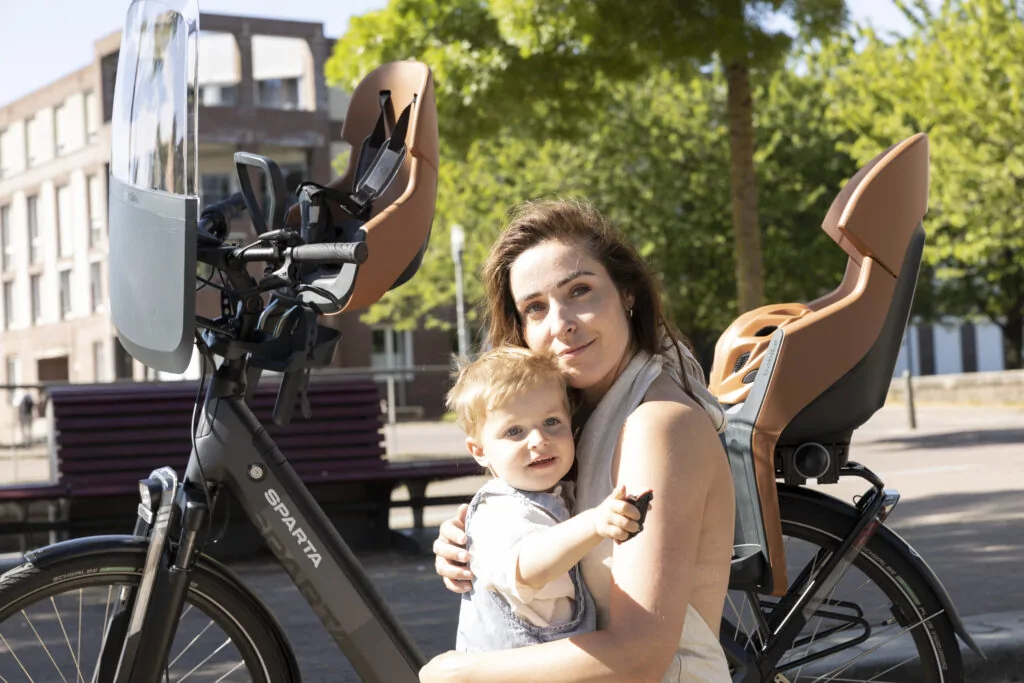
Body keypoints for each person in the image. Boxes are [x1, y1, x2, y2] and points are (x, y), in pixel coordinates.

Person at [422, 199, 735, 682]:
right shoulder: (574, 417)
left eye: (580, 290)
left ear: (627, 293)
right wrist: (480, 547)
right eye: (535, 308)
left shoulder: (655, 425)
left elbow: (642, 652)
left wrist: (466, 674)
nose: (560, 324)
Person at [445, 345, 647, 652]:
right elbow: (527, 569)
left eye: (551, 422)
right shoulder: (500, 511)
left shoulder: (553, 495)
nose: (539, 440)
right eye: (515, 431)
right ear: (480, 451)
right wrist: (593, 523)